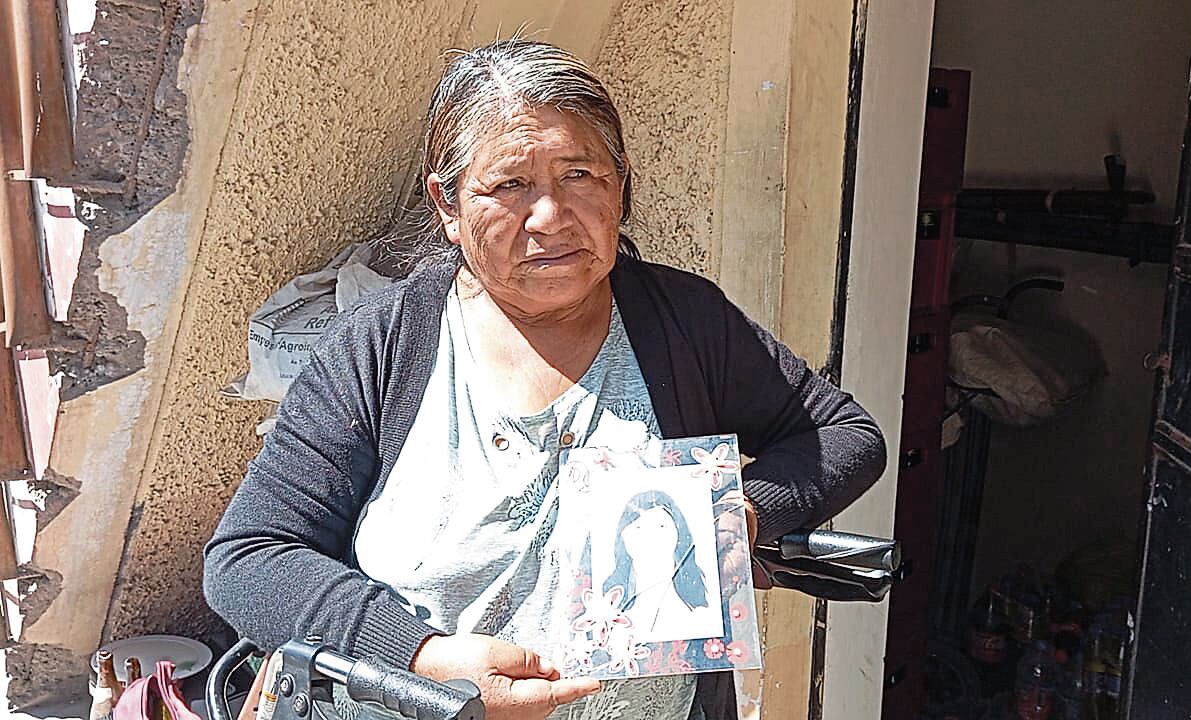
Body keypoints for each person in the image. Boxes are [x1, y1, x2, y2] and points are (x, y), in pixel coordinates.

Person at [204, 38, 886, 720]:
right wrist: (422, 656)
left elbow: (842, 434)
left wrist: (741, 514)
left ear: (621, 184)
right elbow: (248, 558)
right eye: (509, 185)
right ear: (448, 204)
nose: (551, 217)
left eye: (581, 175)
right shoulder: (385, 345)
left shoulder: (684, 323)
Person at [603, 490, 720, 643]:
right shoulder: (605, 613)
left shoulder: (701, 617)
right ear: (623, 535)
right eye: (638, 527)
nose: (649, 536)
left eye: (661, 525)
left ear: (679, 532)